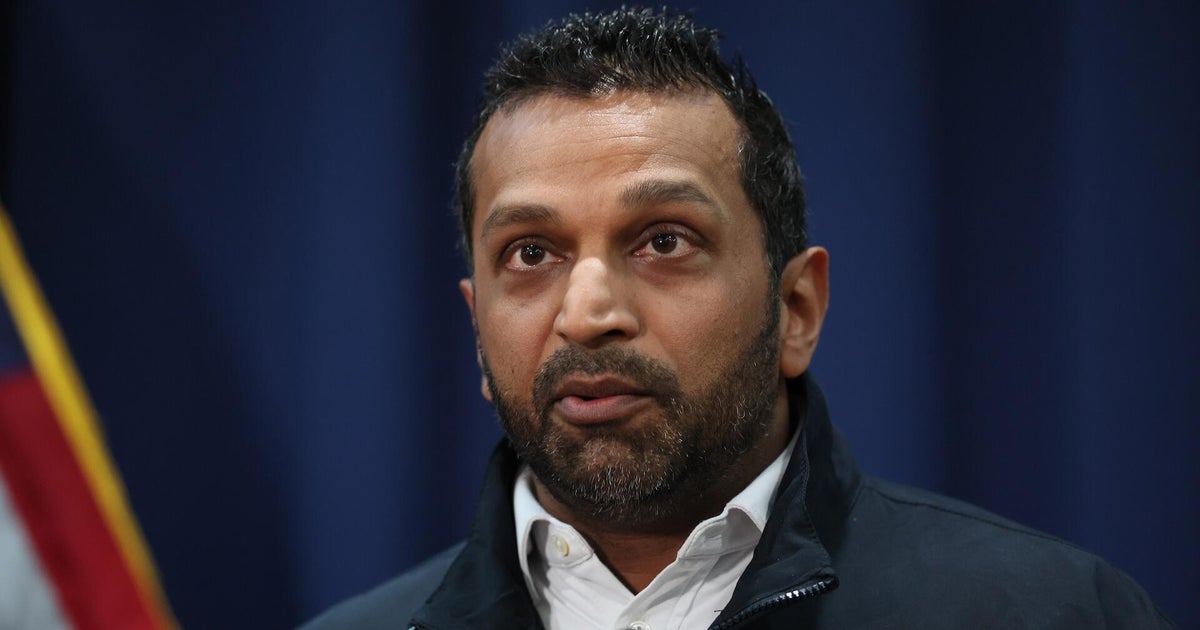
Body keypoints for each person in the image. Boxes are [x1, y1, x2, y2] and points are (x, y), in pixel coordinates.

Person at [303, 7, 1175, 629]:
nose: (589, 312)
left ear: (797, 309)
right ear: (476, 333)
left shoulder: (1057, 613)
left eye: (664, 241)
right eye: (531, 253)